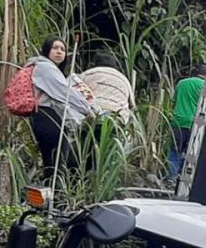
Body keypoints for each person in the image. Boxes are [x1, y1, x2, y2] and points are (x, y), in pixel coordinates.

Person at [26, 36, 99, 181]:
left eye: (63, 49)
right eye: (55, 48)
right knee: (57, 160)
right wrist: (88, 108)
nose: (59, 52)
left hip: (47, 117)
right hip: (47, 117)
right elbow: (65, 93)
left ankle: (54, 195)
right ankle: (56, 197)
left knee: (54, 160)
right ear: (47, 49)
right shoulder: (45, 67)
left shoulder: (46, 68)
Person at [169, 63, 206, 182]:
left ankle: (171, 177)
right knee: (189, 152)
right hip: (195, 125)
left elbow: (175, 101)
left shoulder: (181, 83)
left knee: (175, 150)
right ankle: (182, 179)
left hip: (177, 121)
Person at [80, 52, 134, 123]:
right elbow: (132, 105)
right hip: (117, 114)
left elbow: (75, 92)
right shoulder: (124, 79)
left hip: (94, 111)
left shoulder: (87, 74)